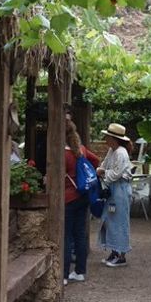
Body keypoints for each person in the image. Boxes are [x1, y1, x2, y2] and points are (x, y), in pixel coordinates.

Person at [63, 117, 101, 284]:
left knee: (66, 236)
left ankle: (63, 274)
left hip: (67, 198)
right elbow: (95, 160)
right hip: (83, 196)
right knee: (80, 234)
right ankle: (80, 271)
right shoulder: (81, 149)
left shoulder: (62, 154)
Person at [96, 123, 135, 267]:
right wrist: (100, 170)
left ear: (113, 138)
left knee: (120, 221)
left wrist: (102, 172)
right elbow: (104, 165)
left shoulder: (121, 152)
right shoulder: (112, 151)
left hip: (120, 190)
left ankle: (121, 254)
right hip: (113, 189)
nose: (105, 139)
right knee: (110, 220)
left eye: (107, 136)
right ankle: (114, 251)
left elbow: (115, 174)